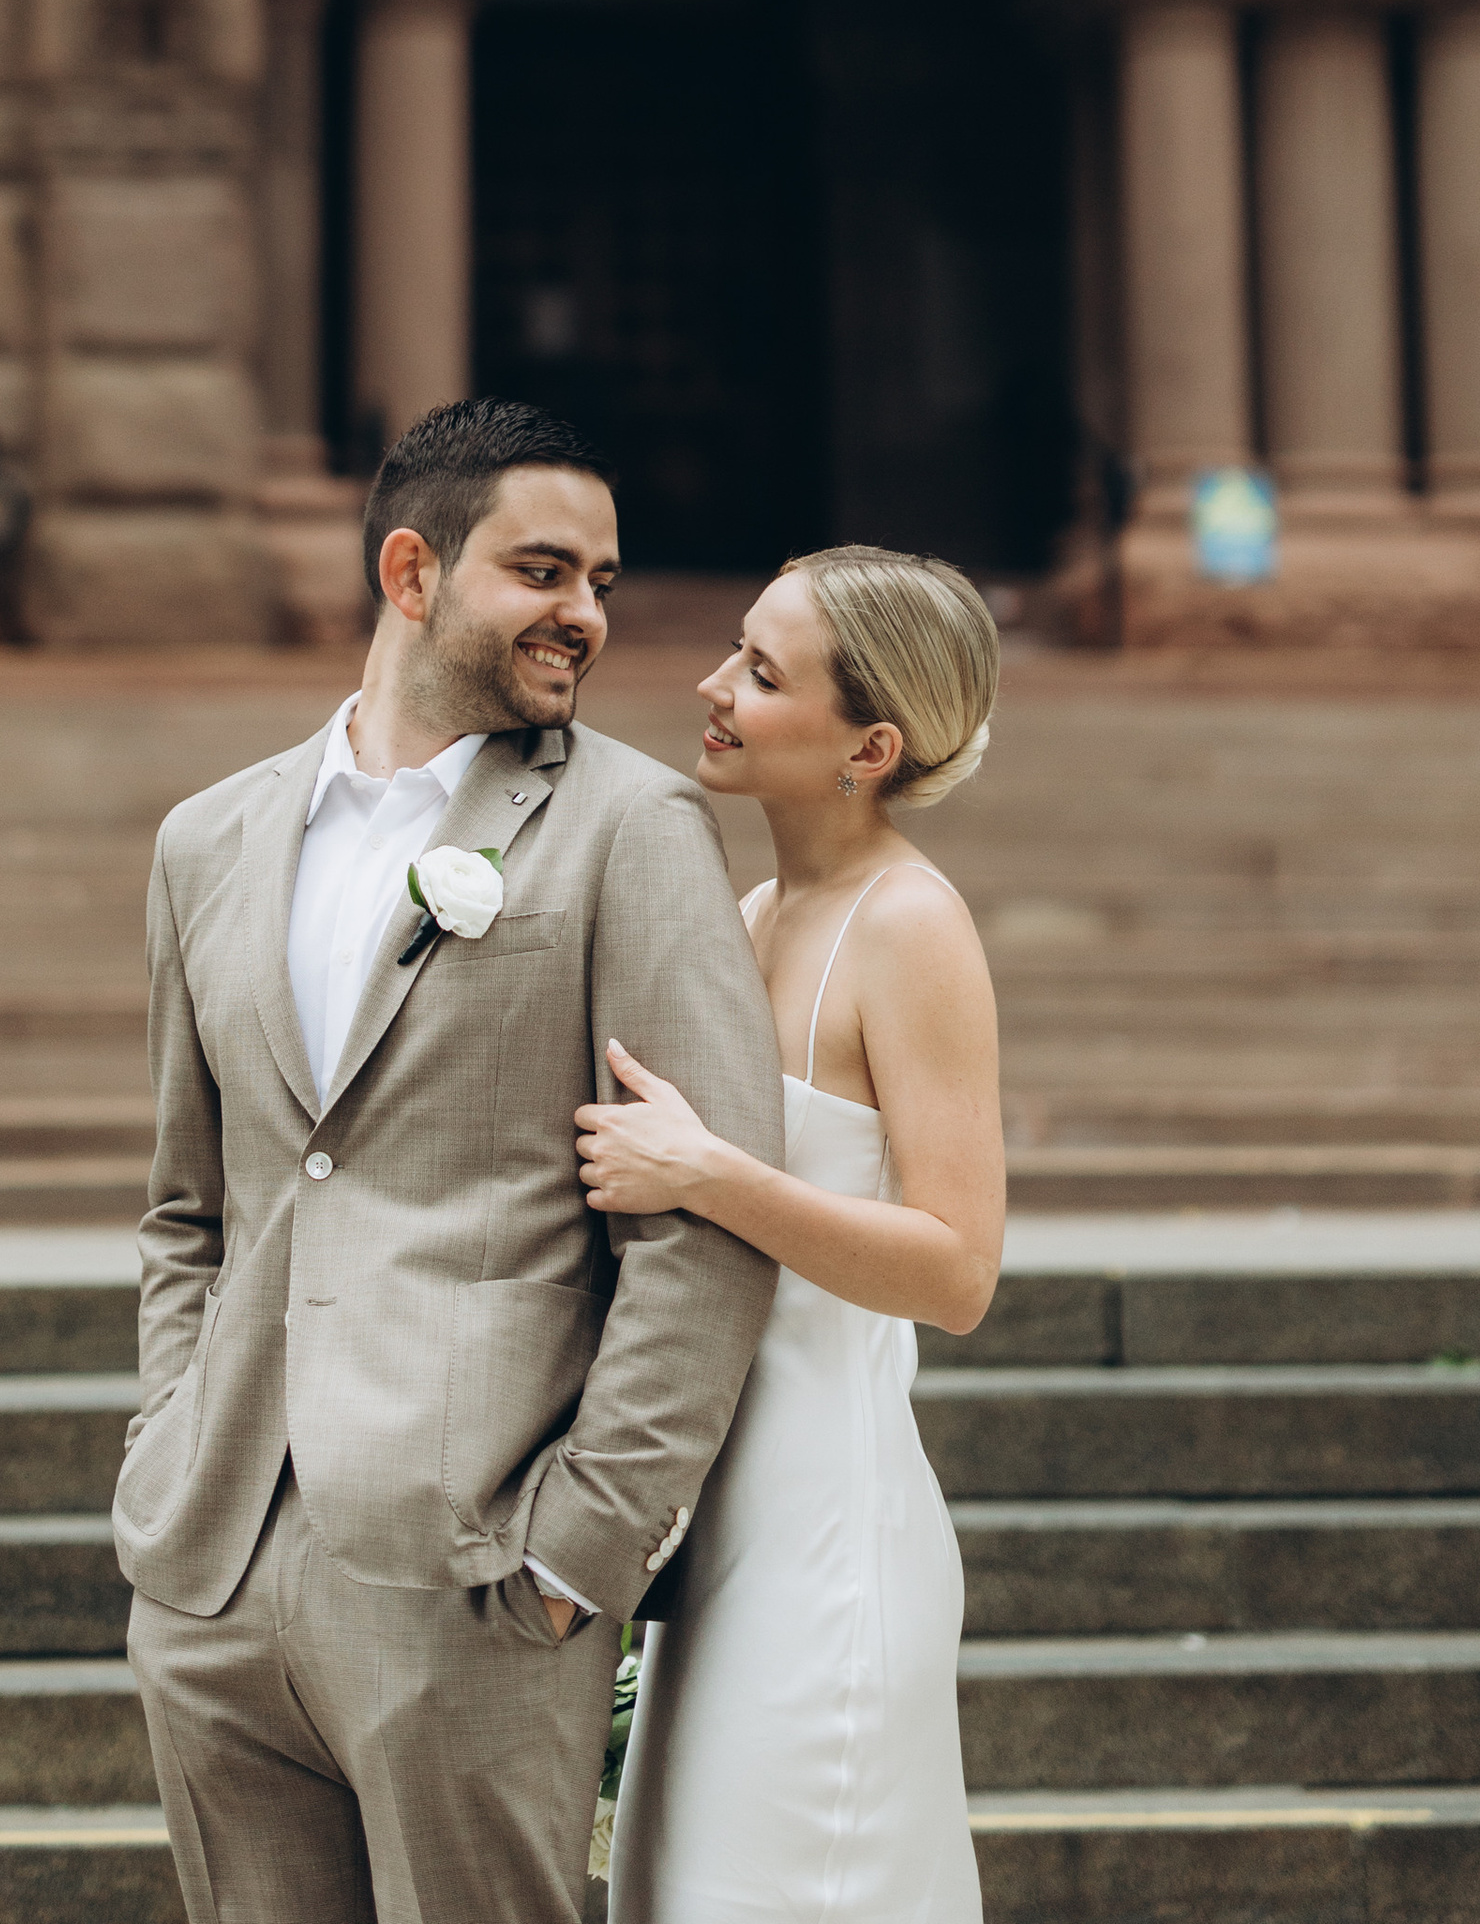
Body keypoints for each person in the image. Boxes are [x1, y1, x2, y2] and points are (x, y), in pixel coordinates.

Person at [115, 396, 786, 1924]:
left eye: (603, 582)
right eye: (545, 571)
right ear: (412, 572)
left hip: (473, 1574)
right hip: (212, 1570)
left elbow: (703, 1220)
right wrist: (168, 1445)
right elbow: (186, 1201)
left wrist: (580, 1550)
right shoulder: (206, 842)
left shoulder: (635, 828)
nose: (587, 617)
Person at [583, 543, 1006, 1924]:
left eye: (762, 674)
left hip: (828, 1535)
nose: (713, 686)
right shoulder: (758, 912)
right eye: (734, 649)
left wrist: (707, 1173)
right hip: (712, 1526)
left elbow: (956, 1269)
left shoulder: (913, 927)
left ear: (868, 746)